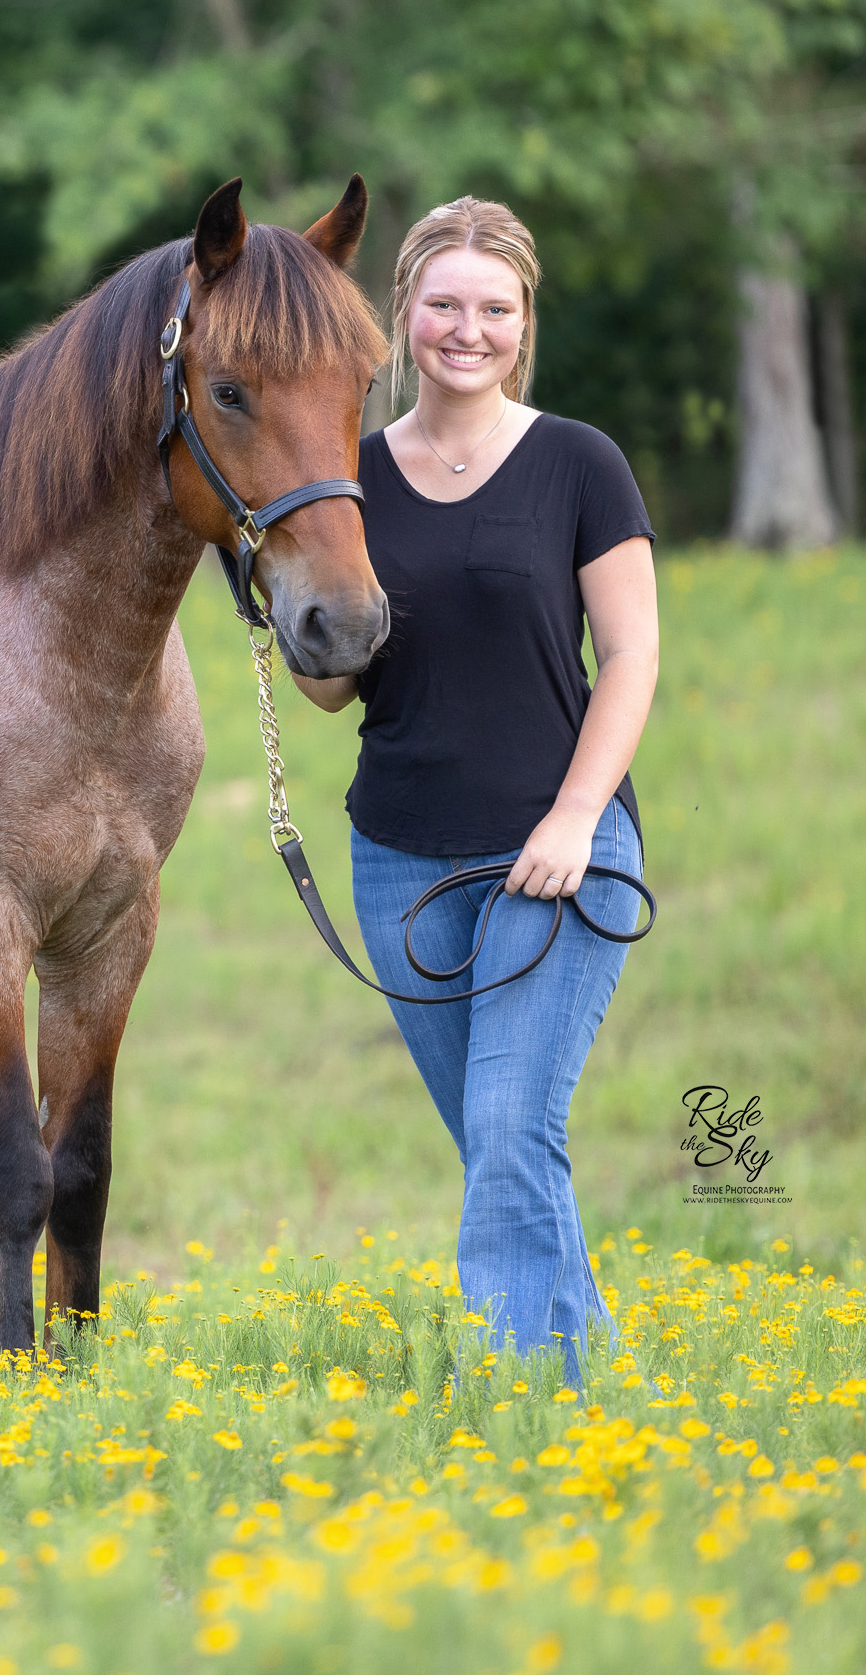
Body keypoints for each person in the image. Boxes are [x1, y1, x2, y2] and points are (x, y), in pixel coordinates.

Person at [296, 196, 659, 1386]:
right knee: (500, 1143)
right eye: (444, 303)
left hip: (561, 848)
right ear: (402, 316)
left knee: (512, 1128)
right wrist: (285, 607)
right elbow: (336, 696)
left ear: (522, 320)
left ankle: (512, 1395)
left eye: (493, 307)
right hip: (399, 856)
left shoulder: (577, 463)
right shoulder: (344, 480)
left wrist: (573, 817)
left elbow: (634, 659)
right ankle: (587, 1371)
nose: (468, 328)